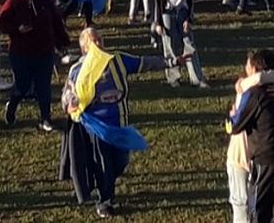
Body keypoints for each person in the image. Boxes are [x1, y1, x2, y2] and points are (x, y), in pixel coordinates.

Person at [59, 27, 182, 218]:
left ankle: (104, 185)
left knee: (121, 162)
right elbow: (66, 99)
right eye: (93, 41)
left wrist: (172, 62)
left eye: (100, 39)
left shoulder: (117, 60)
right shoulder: (78, 70)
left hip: (120, 124)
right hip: (97, 129)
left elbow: (144, 63)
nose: (99, 43)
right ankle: (104, 200)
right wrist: (70, 103)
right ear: (84, 48)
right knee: (104, 165)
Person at [227, 48, 274, 223]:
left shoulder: (254, 93)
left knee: (261, 209)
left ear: (254, 69)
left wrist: (231, 116)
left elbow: (234, 126)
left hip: (264, 159)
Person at [0, 0, 69, 131]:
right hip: (20, 52)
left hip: (44, 51)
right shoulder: (13, 3)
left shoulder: (45, 1)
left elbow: (56, 22)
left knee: (43, 86)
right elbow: (2, 23)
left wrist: (63, 41)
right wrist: (17, 29)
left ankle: (45, 119)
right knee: (22, 86)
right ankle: (12, 106)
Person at [153, 0, 208, 88]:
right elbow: (158, 3)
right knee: (169, 46)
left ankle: (196, 78)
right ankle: (173, 78)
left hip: (182, 13)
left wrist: (189, 19)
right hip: (167, 14)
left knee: (189, 44)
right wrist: (158, 23)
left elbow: (190, 1)